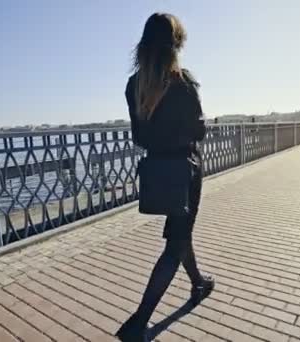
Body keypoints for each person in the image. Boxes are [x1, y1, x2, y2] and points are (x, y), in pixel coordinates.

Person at [116, 13, 215, 341]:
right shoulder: (183, 82)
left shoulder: (134, 85)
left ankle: (199, 283)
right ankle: (138, 323)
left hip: (158, 170)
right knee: (175, 244)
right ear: (176, 45)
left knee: (179, 234)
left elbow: (138, 138)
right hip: (185, 171)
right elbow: (199, 132)